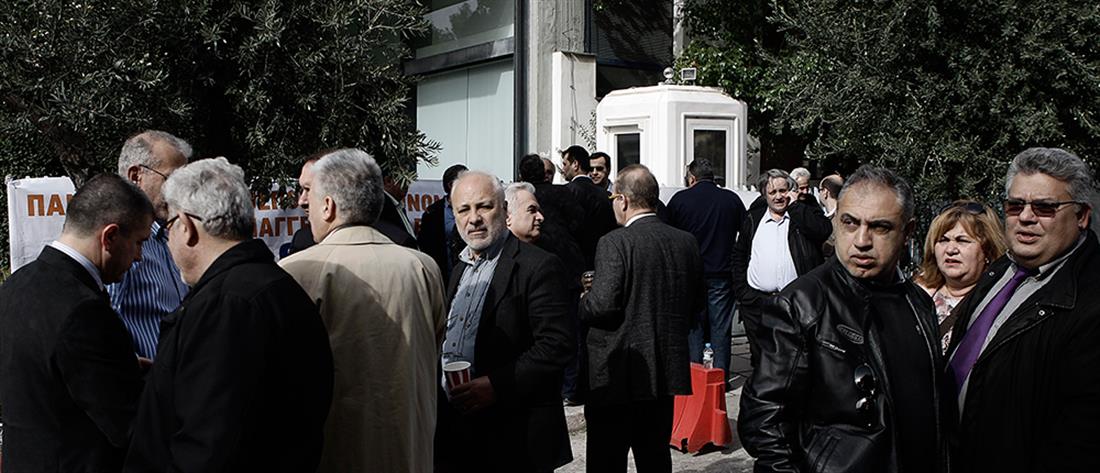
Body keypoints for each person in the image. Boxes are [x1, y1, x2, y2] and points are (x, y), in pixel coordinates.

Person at [124, 158, 334, 472]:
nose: (168, 241)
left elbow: (209, 442)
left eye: (168, 228)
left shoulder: (226, 306)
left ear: (187, 227)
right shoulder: (270, 287)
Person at [739, 165, 948, 473]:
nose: (861, 240)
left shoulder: (918, 303)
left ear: (908, 231)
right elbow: (765, 424)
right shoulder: (802, 304)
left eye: (879, 227)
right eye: (850, 223)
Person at [279, 149, 446, 473]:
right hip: (410, 451)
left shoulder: (297, 270)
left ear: (328, 206)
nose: (302, 203)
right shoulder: (423, 267)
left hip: (334, 453)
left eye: (309, 193)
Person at [948, 148, 1100, 472]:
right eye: (1015, 206)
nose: (1026, 218)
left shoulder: (1089, 303)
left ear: (1082, 216)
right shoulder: (999, 270)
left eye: (1045, 207)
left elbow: (1079, 440)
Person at [0, 174, 151, 471]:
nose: (139, 257)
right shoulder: (85, 311)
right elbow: (130, 426)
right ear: (109, 237)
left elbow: (47, 374)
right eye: (138, 243)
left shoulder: (15, 286)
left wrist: (119, 364)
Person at [434, 171, 575, 473]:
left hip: (515, 435)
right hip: (458, 430)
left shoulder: (538, 266)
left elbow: (557, 345)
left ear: (504, 210)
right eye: (463, 209)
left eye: (484, 206)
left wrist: (496, 385)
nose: (474, 219)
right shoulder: (460, 268)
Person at [581, 164, 704, 473]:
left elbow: (602, 306)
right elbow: (697, 304)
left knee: (606, 460)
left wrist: (583, 300)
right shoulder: (686, 241)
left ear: (622, 200)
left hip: (617, 374)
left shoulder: (615, 242)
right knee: (655, 456)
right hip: (663, 372)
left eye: (612, 198)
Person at [732, 169, 832, 367]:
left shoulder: (802, 213)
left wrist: (795, 206)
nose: (778, 196)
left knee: (795, 361)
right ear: (764, 194)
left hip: (795, 303)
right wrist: (743, 293)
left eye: (782, 191)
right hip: (758, 303)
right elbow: (739, 255)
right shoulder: (754, 218)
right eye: (772, 192)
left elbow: (822, 231)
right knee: (761, 362)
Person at [109, 130, 191, 360]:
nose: (180, 192)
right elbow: (105, 325)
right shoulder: (118, 240)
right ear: (136, 176)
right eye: (172, 180)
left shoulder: (168, 236)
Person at [666, 159, 746, 388]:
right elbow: (745, 232)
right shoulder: (731, 199)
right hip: (721, 272)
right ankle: (720, 378)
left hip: (690, 274)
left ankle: (695, 377)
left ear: (691, 177)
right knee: (720, 328)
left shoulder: (680, 200)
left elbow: (669, 236)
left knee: (694, 327)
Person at [913, 200, 1006, 353]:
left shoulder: (1000, 302)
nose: (950, 250)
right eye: (943, 240)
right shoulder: (914, 295)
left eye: (962, 241)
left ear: (987, 251)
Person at [561, 145, 618, 270]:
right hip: (602, 258)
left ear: (575, 164)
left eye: (565, 164)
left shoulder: (566, 192)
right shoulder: (607, 196)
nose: (563, 168)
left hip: (574, 262)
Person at [419, 163, 468, 282]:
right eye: (465, 181)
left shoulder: (475, 209)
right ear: (451, 185)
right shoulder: (432, 213)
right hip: (441, 277)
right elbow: (426, 247)